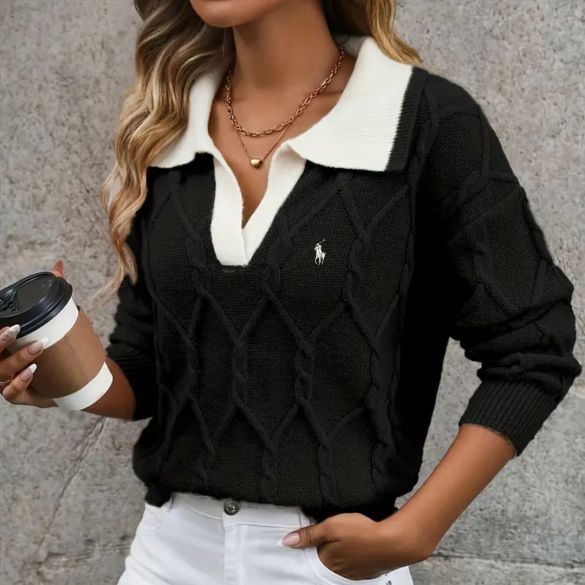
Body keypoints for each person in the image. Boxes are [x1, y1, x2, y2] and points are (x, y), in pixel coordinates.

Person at [1, 1, 581, 584]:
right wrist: (61, 374)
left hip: (327, 562)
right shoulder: (167, 129)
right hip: (169, 556)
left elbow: (535, 347)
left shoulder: (424, 122)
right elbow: (149, 372)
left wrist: (418, 529)